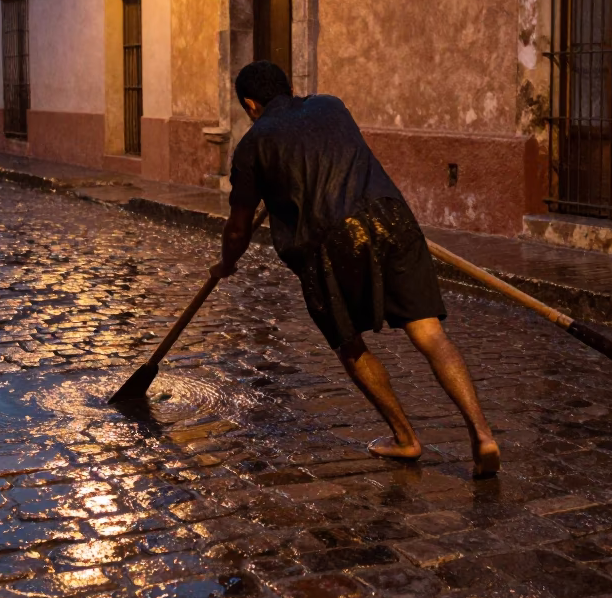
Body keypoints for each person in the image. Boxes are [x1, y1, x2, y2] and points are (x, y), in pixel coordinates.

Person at [212, 61, 500, 477]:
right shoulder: (331, 105)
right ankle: (483, 434)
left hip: (327, 245)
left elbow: (238, 230)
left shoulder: (252, 147)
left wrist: (225, 264)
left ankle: (405, 438)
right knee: (429, 332)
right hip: (393, 220)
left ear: (251, 105)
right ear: (290, 88)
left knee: (349, 343)